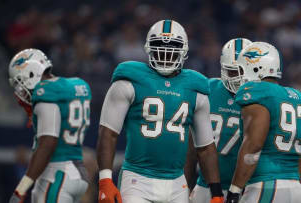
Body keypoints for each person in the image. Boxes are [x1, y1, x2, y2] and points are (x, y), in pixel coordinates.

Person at [96, 20, 224, 203]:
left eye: (173, 47)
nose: (166, 53)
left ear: (184, 50)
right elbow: (108, 133)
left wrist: (216, 192)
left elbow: (205, 147)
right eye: (159, 46)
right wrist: (105, 181)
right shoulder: (129, 81)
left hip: (177, 182)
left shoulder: (196, 88)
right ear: (149, 48)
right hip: (137, 178)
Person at [225, 42, 301, 203]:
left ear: (257, 68)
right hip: (295, 188)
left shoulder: (258, 92)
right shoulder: (297, 96)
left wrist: (235, 190)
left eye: (242, 69)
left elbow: (254, 145)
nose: (240, 75)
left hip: (266, 185)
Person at [8, 49, 91, 203]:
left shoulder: (45, 92)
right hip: (78, 172)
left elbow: (48, 143)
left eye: (20, 81)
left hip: (56, 174)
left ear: (31, 74)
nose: (20, 91)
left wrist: (21, 189)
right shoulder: (76, 85)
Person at [184, 38, 252, 202]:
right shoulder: (208, 89)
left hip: (245, 188)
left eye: (245, 71)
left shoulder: (259, 98)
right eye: (234, 72)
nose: (240, 79)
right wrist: (185, 188)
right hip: (206, 185)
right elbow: (191, 150)